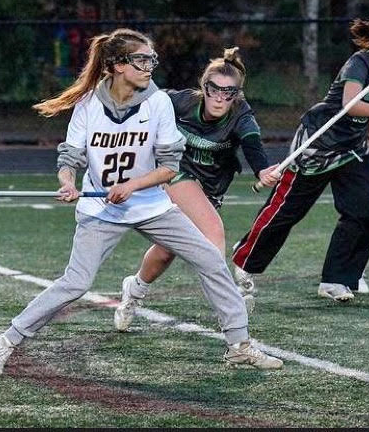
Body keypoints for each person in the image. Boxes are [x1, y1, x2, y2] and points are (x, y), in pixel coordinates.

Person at [0, 28, 282, 375]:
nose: (149, 66)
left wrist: (133, 184)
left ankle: (239, 346)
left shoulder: (158, 103)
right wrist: (67, 183)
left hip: (152, 205)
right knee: (76, 283)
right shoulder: (89, 103)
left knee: (211, 260)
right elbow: (71, 157)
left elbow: (170, 167)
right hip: (101, 209)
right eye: (141, 60)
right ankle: (5, 340)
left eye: (152, 59)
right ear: (117, 65)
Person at [231, 14, 369, 302]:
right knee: (288, 211)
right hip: (319, 143)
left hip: (353, 149)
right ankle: (246, 261)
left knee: (362, 213)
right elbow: (351, 103)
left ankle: (336, 279)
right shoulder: (359, 63)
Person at [112, 47, 280, 332]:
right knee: (213, 234)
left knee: (167, 249)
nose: (219, 98)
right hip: (175, 173)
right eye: (214, 89)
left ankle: (135, 289)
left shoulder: (242, 116)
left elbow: (253, 145)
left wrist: (262, 169)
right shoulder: (180, 102)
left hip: (212, 187)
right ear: (204, 87)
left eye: (228, 92)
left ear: (237, 94)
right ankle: (229, 309)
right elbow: (138, 105)